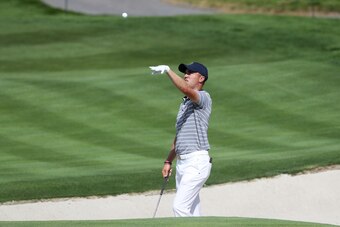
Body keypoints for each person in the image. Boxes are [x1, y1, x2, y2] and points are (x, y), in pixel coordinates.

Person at [149, 62, 212, 217]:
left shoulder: (203, 97)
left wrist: (168, 70)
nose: (186, 75)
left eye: (191, 72)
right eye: (185, 72)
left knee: (180, 207)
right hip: (183, 164)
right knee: (192, 211)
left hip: (196, 161)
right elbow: (180, 135)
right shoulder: (185, 104)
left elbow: (185, 88)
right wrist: (168, 161)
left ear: (201, 78)